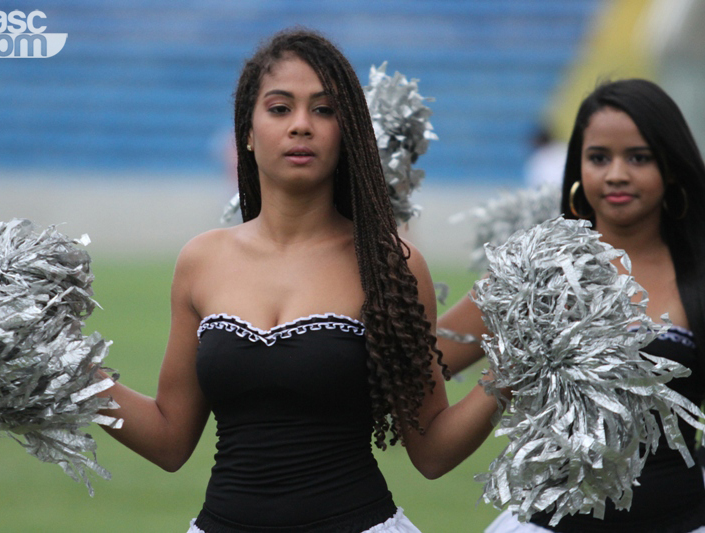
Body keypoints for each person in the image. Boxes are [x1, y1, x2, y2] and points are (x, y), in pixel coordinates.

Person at [96, 28, 502, 533]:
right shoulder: (201, 260)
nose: (302, 125)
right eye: (280, 108)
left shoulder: (391, 264)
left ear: (346, 133)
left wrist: (517, 369)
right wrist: (65, 368)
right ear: (247, 132)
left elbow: (433, 450)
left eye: (324, 110)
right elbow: (168, 439)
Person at [439, 78, 705, 533]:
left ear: (672, 167)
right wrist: (508, 371)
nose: (616, 174)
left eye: (638, 157)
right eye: (599, 157)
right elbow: (422, 361)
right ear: (578, 167)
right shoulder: (533, 272)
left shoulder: (697, 274)